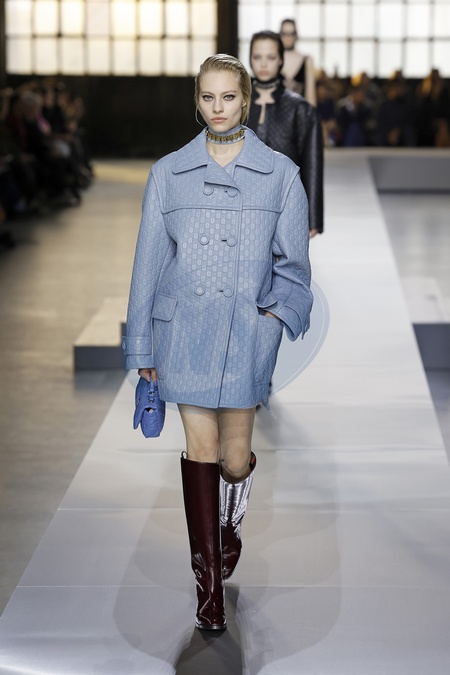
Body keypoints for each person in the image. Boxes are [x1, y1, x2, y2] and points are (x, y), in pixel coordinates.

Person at [122, 54, 313, 631]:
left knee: (233, 458)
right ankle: (208, 589)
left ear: (246, 100)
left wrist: (272, 319)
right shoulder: (169, 173)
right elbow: (148, 264)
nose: (218, 107)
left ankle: (230, 519)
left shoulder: (279, 174)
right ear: (197, 100)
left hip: (245, 334)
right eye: (208, 97)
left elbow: (295, 269)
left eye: (228, 97)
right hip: (184, 331)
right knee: (200, 451)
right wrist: (142, 348)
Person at [247, 31, 323, 236]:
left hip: (287, 205)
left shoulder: (301, 109)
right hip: (242, 205)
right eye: (257, 57)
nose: (263, 64)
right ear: (249, 59)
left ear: (281, 60)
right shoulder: (237, 104)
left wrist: (313, 217)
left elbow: (311, 163)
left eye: (271, 57)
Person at [279, 18, 316, 105]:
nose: (288, 37)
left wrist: (311, 112)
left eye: (291, 34)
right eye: (284, 34)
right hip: (275, 111)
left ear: (296, 35)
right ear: (280, 35)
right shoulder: (272, 59)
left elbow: (311, 96)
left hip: (300, 111)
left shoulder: (307, 60)